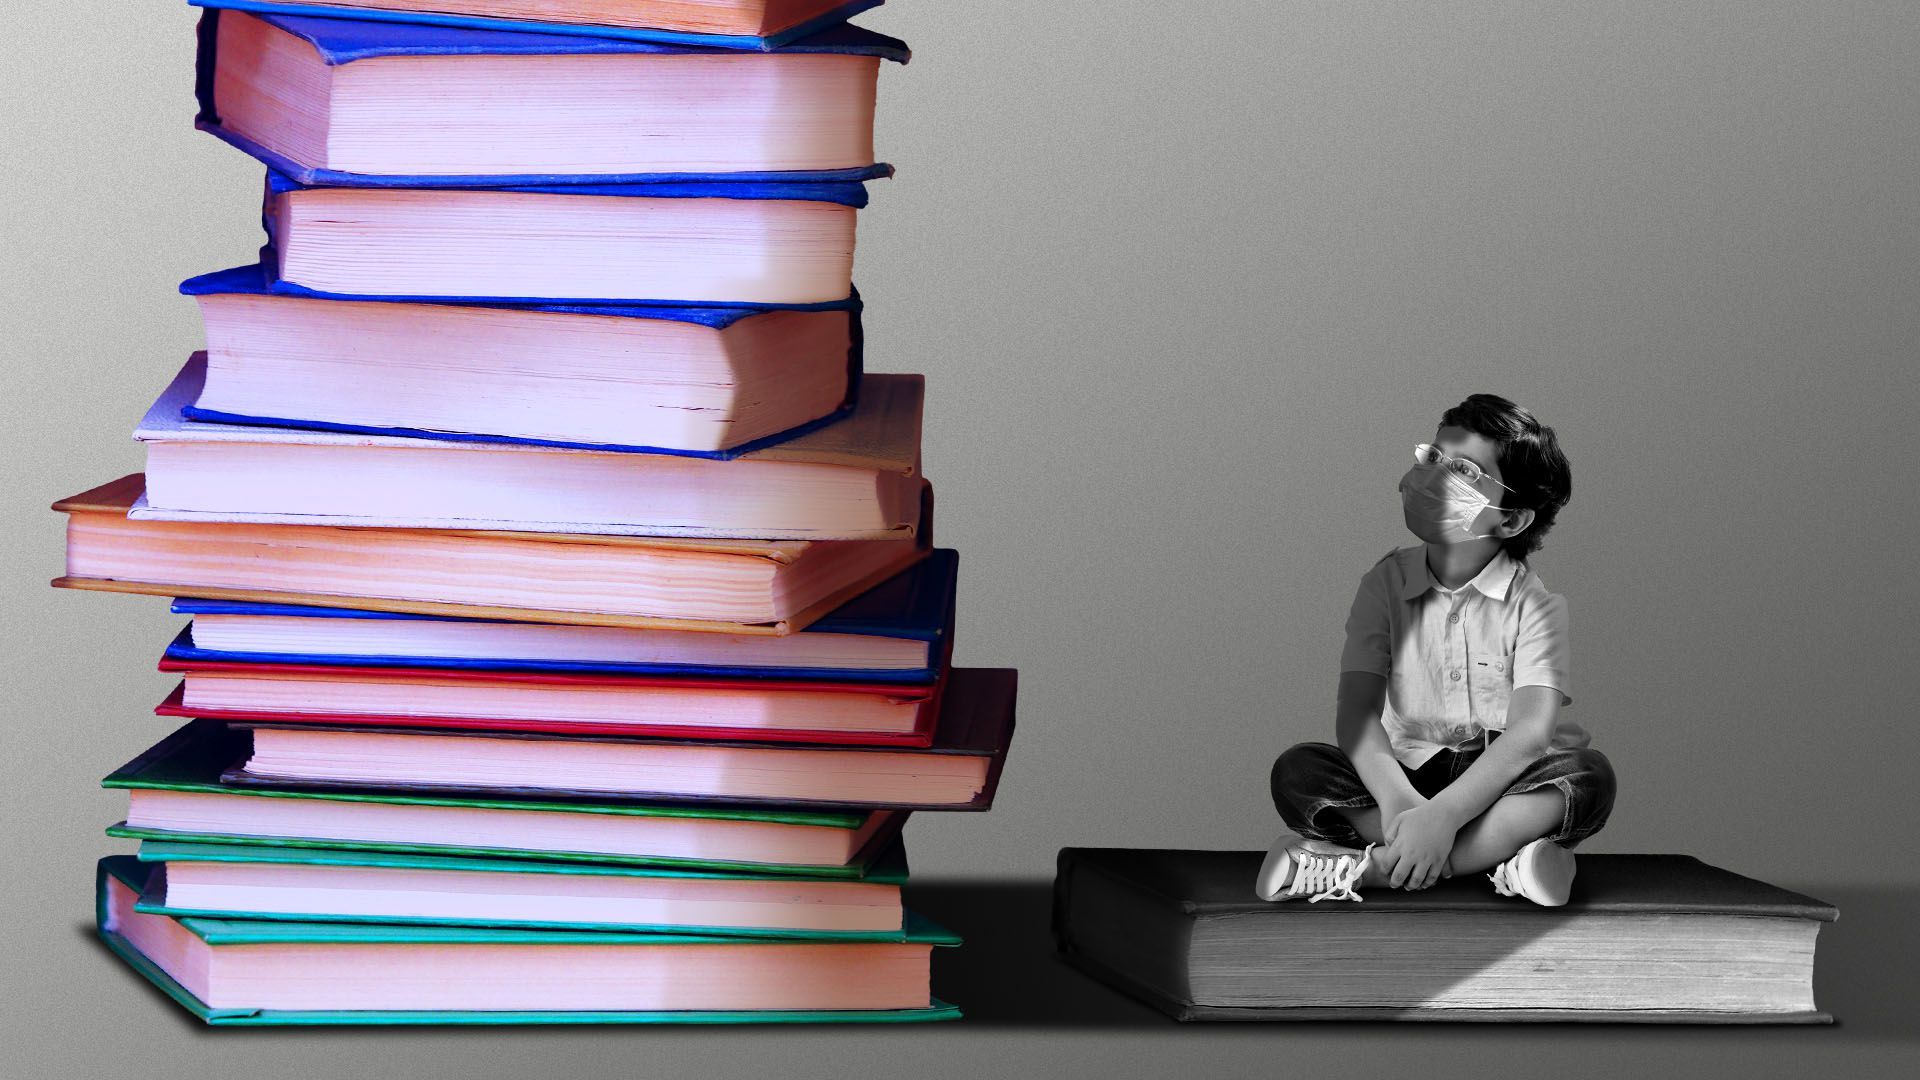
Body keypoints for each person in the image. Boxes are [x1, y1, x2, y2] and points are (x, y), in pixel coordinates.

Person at [1256, 394, 1614, 907]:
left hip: (1496, 781)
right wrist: (1404, 806)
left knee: (1588, 776)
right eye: (1435, 456)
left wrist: (1444, 816)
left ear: (1511, 520)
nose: (1434, 476)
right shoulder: (1382, 584)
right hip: (1400, 776)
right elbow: (1356, 714)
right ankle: (1498, 860)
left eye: (1464, 470)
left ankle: (1374, 868)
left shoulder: (1537, 607)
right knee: (1300, 770)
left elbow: (1530, 735)